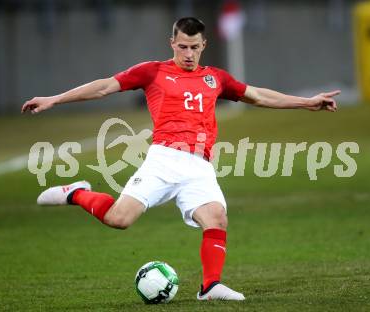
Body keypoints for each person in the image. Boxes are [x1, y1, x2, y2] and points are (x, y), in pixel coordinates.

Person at [21, 17, 339, 301]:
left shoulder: (216, 78)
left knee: (216, 218)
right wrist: (55, 99)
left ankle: (210, 286)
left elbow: (258, 95)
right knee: (119, 219)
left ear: (204, 45)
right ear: (172, 43)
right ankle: (76, 193)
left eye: (195, 47)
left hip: (199, 165)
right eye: (183, 46)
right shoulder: (153, 71)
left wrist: (307, 102)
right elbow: (105, 86)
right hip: (163, 160)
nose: (188, 54)